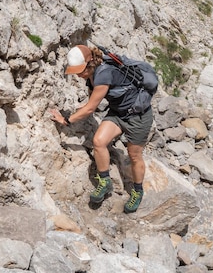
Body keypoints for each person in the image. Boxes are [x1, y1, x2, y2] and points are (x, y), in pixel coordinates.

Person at [50, 45, 154, 213]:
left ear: (90, 63)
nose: (78, 74)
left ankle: (137, 191)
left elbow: (91, 108)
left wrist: (66, 120)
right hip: (118, 113)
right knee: (99, 141)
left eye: (80, 70)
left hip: (138, 117)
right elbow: (92, 99)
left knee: (134, 156)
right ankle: (105, 182)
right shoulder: (91, 73)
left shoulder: (104, 73)